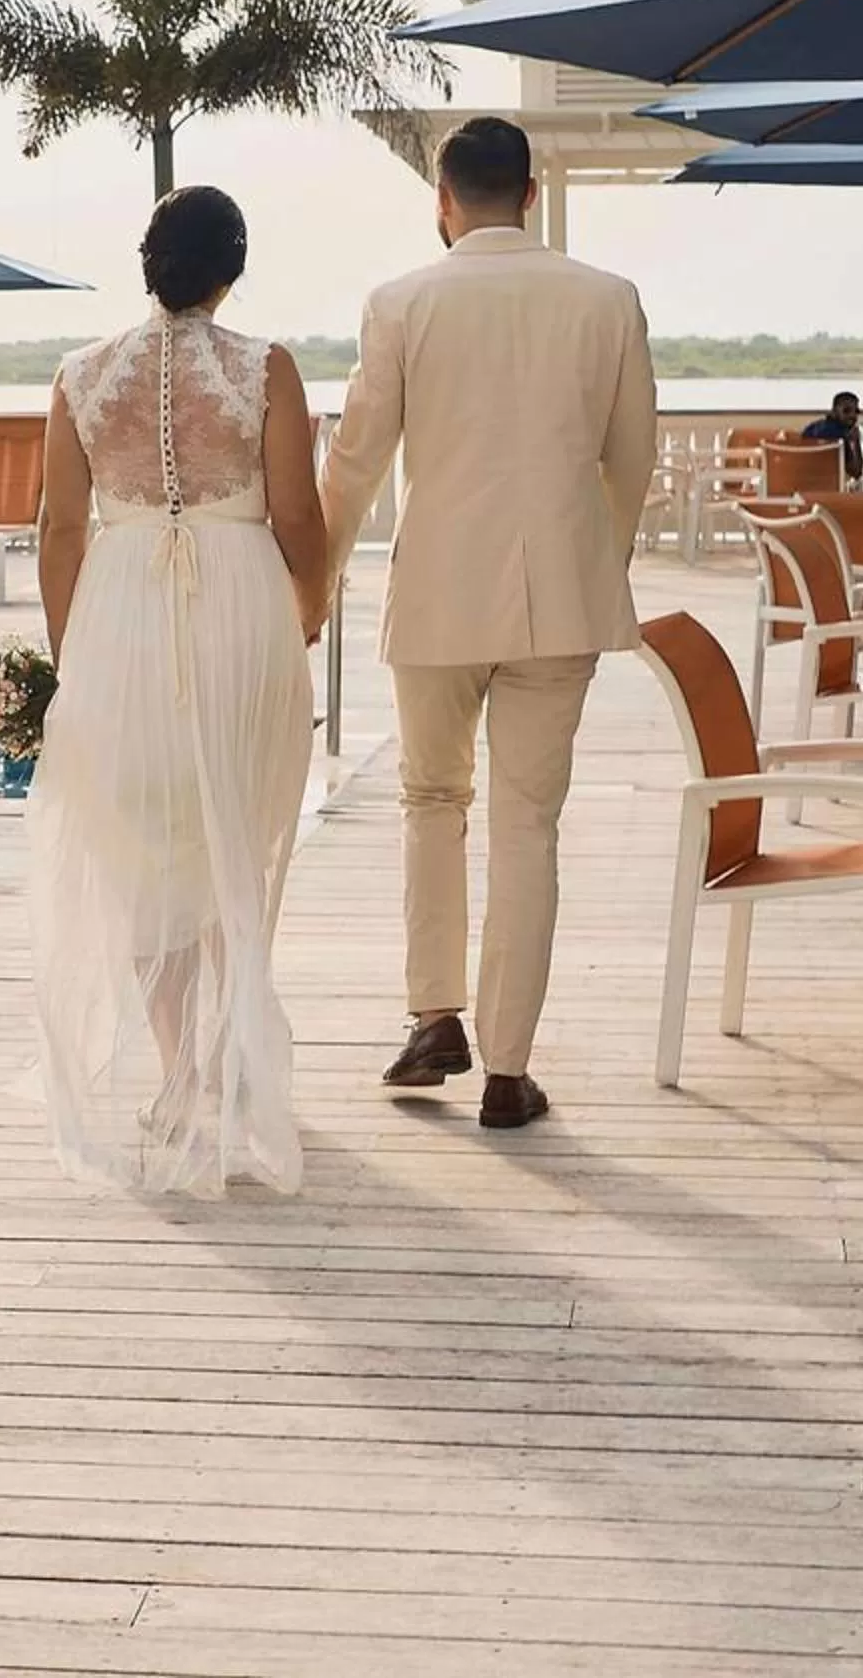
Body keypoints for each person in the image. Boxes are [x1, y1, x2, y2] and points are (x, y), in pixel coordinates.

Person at [320, 116, 658, 1133]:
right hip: (560, 596)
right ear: (533, 193)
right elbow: (631, 458)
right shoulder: (607, 300)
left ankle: (436, 1017)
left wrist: (317, 577)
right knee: (528, 823)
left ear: (443, 198)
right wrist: (595, 556)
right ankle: (508, 1071)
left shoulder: (402, 301)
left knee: (431, 800)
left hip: (435, 596)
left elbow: (357, 459)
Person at [32, 185, 324, 1195]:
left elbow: (60, 531)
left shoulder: (79, 375)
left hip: (119, 615)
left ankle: (180, 1068)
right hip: (240, 608)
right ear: (230, 268)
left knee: (147, 843)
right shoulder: (264, 368)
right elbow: (297, 512)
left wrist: (71, 655)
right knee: (231, 832)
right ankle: (228, 1061)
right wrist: (312, 604)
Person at [796, 391, 863, 483]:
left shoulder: (811, 428)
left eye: (856, 411)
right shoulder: (840, 436)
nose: (852, 415)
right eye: (846, 411)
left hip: (802, 489)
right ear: (834, 412)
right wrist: (856, 441)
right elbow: (856, 472)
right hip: (830, 491)